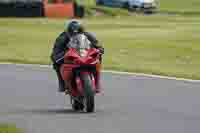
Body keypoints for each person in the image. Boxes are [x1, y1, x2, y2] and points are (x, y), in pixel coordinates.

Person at [50, 20, 104, 92]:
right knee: (55, 63)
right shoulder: (62, 38)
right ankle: (62, 83)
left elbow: (98, 45)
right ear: (68, 31)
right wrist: (59, 56)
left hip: (84, 54)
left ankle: (97, 82)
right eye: (73, 32)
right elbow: (55, 52)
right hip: (70, 56)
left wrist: (99, 50)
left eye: (79, 31)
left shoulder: (88, 35)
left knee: (98, 56)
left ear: (82, 30)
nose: (76, 34)